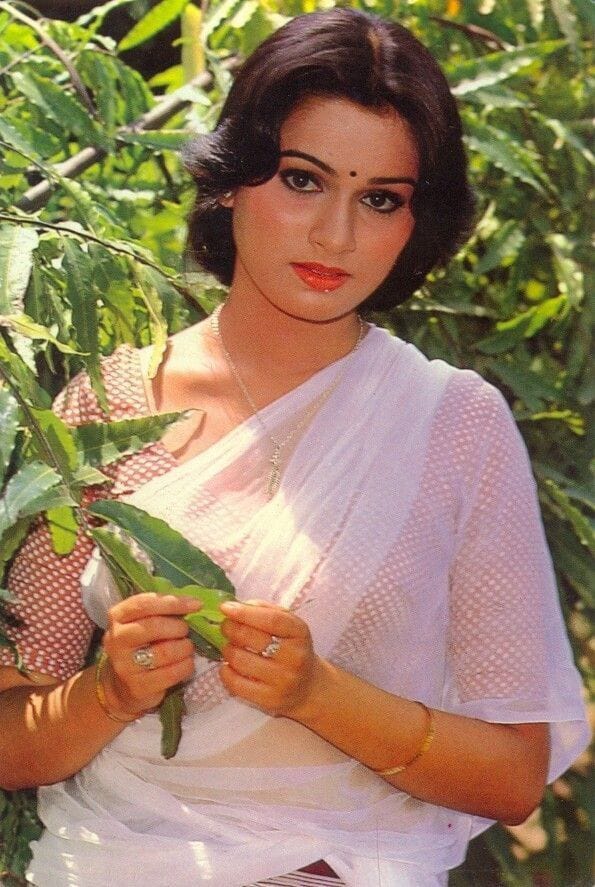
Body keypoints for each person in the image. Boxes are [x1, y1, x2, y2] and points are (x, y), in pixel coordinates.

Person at [0, 9, 588, 886]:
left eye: (380, 198)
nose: (335, 236)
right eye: (302, 180)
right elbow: (11, 738)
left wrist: (319, 693)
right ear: (229, 181)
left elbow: (509, 777)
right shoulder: (108, 407)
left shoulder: (452, 424)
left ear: (415, 221)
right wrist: (107, 694)